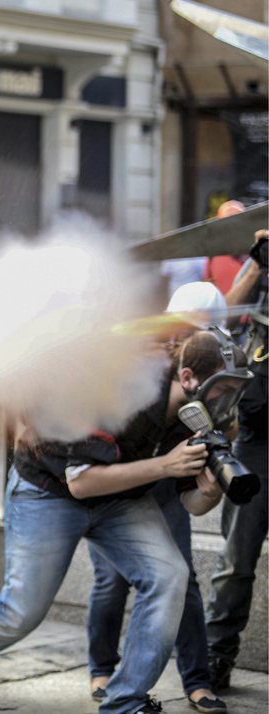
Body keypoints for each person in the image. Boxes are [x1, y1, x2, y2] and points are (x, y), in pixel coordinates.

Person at [0, 329, 251, 714]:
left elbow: (192, 505)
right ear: (188, 377)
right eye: (223, 388)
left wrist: (209, 491)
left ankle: (125, 701)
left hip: (121, 499)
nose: (229, 401)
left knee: (170, 576)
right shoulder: (124, 387)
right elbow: (81, 482)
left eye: (235, 390)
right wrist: (164, 465)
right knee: (23, 610)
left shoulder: (196, 417)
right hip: (49, 490)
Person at [85, 282, 233, 714]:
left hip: (169, 482)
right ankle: (102, 670)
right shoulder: (143, 361)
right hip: (118, 485)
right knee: (110, 581)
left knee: (181, 577)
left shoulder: (214, 368)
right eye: (191, 329)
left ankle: (197, 681)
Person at [205, 229, 269, 691]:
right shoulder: (260, 281)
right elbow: (220, 313)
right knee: (235, 561)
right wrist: (259, 260)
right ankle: (216, 656)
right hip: (257, 442)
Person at [204, 201, 247, 297]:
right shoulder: (213, 254)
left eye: (237, 220)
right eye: (227, 221)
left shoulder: (256, 253)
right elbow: (208, 287)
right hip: (221, 311)